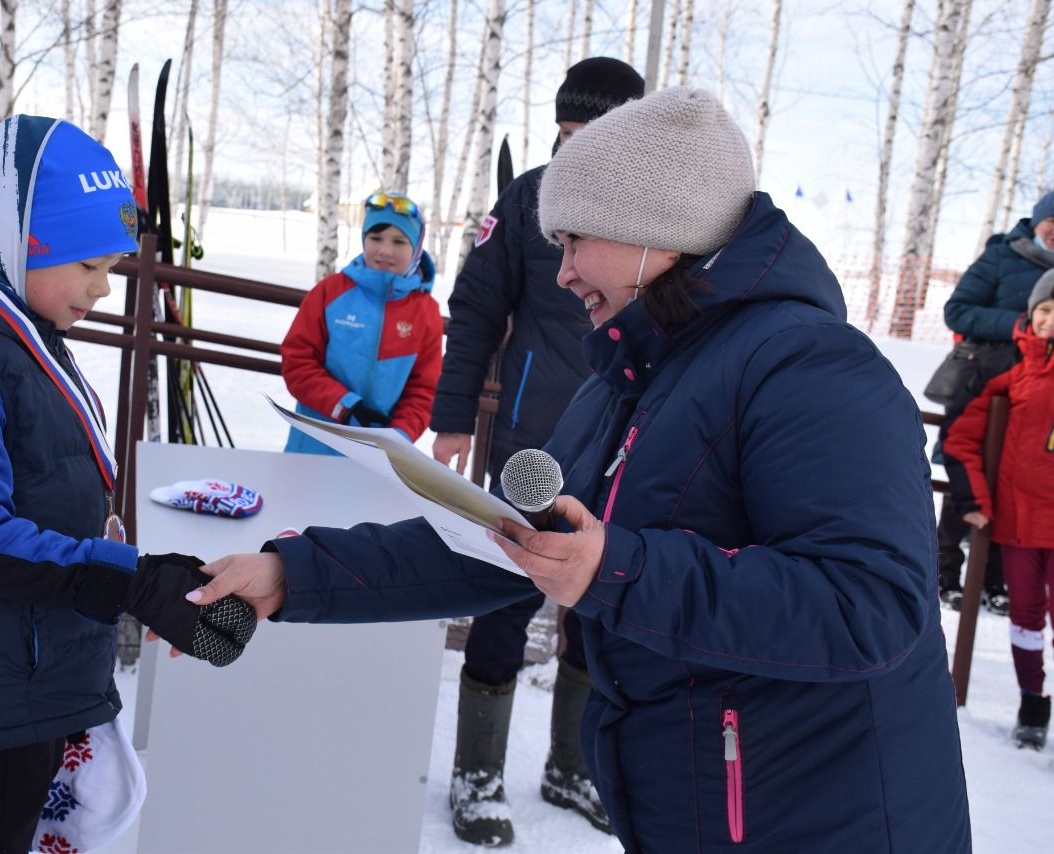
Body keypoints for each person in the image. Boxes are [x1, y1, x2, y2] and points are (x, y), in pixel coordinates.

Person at [194, 88, 971, 852]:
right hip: (699, 812)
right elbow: (499, 540)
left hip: (823, 820)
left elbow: (871, 603)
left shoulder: (811, 366)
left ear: (653, 231)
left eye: (574, 240)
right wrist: (294, 575)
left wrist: (618, 571)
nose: (561, 273)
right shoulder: (628, 378)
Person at [0, 115, 250, 854]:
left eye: (113, 268)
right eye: (88, 265)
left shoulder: (11, 335)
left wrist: (137, 580)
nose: (103, 288)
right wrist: (131, 583)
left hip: (33, 675)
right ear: (13, 238)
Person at [429, 56, 643, 844]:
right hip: (534, 444)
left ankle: (573, 764)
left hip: (627, 445)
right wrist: (454, 415)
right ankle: (477, 774)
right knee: (505, 595)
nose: (576, 148)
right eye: (566, 133)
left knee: (604, 604)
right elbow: (477, 305)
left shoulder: (659, 214)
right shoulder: (526, 201)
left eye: (596, 134)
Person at [943, 269, 1054, 750]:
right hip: (1020, 527)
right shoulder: (1006, 375)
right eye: (1046, 310)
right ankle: (1033, 704)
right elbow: (961, 439)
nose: (1051, 321)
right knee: (1025, 618)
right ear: (1031, 314)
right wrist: (976, 504)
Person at [937, 191, 1054, 614]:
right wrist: (1019, 324)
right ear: (1038, 222)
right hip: (984, 384)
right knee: (966, 481)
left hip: (1035, 397)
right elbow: (958, 310)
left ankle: (994, 580)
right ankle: (944, 571)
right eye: (1052, 224)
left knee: (1012, 485)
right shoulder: (1002, 257)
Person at [281, 192, 441, 453]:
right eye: (375, 238)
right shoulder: (330, 292)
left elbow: (424, 390)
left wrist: (398, 437)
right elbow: (297, 363)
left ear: (416, 250)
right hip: (313, 444)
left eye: (399, 241)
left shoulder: (426, 313)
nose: (385, 250)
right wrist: (347, 406)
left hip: (379, 455)